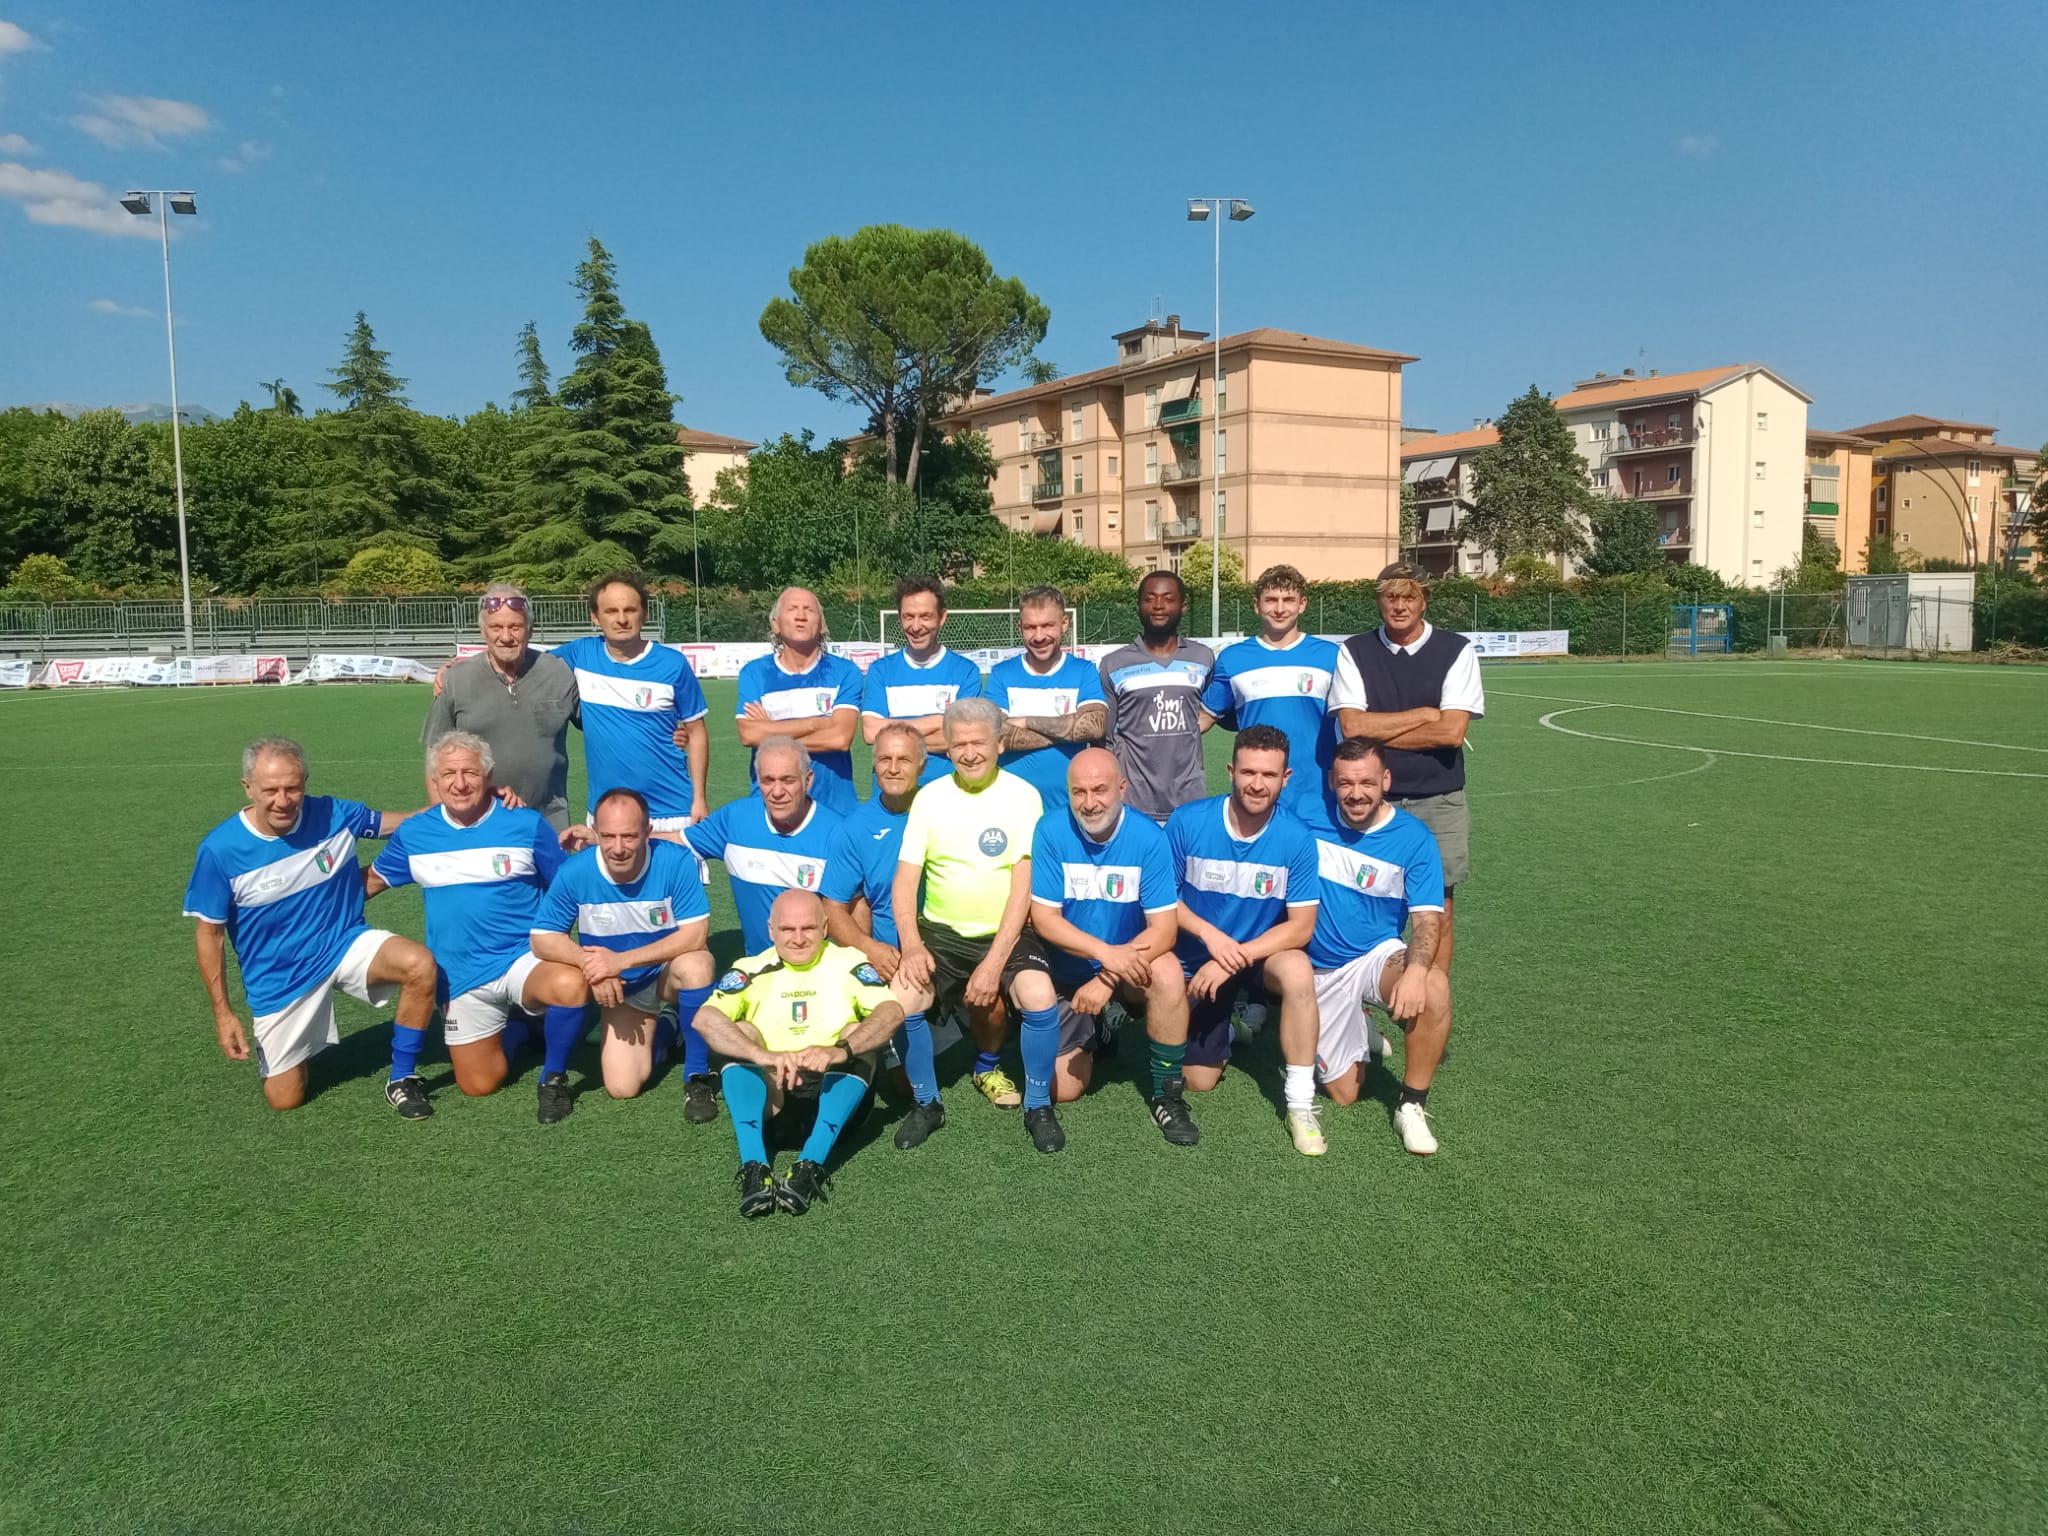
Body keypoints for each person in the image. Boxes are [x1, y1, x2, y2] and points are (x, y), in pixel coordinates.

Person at [183, 736, 440, 1118]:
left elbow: (405, 824)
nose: (283, 800)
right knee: (285, 1098)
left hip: (342, 942)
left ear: (305, 782)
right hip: (280, 977)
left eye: (293, 788)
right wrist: (224, 1014)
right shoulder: (220, 850)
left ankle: (402, 1077)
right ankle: (281, 1051)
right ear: (247, 787)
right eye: (270, 790)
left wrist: (466, 804)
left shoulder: (334, 813)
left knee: (420, 964)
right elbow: (210, 935)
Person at [364, 732, 591, 1121]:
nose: (459, 783)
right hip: (462, 975)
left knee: (570, 985)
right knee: (479, 1084)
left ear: (487, 775)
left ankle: (552, 1077)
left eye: (470, 772)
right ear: (434, 781)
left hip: (523, 960)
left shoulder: (524, 823)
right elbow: (372, 881)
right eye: (448, 773)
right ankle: (521, 1030)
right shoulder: (415, 834)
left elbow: (565, 885)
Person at [890, 696, 1067, 1153]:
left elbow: (1023, 888)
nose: (969, 753)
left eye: (979, 743)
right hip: (942, 932)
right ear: (946, 748)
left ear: (999, 742)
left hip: (1005, 930)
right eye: (959, 744)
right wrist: (911, 943)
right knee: (902, 997)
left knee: (1038, 994)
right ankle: (927, 1104)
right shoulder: (928, 798)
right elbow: (906, 880)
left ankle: (1039, 1105)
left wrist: (993, 962)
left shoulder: (1022, 796)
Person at [692, 890, 906, 1217]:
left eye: (807, 928)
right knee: (741, 1032)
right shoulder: (750, 968)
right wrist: (763, 1056)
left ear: (824, 928)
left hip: (836, 1097)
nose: (798, 939)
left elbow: (891, 1012)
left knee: (856, 1034)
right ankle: (754, 1168)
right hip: (774, 1101)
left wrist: (838, 1051)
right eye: (787, 929)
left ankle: (810, 1165)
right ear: (771, 929)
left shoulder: (850, 963)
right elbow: (704, 1019)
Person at [1165, 725, 1325, 1154]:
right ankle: (1234, 1030)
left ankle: (1300, 1104)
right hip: (1201, 956)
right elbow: (1164, 902)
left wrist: (1233, 958)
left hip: (1259, 959)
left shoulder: (1297, 838)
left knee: (1296, 969)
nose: (1257, 784)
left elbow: (1301, 926)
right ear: (1231, 770)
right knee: (1199, 1081)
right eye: (1248, 772)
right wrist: (1211, 937)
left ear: (1286, 778)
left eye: (1269, 775)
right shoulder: (1188, 821)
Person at [1027, 747, 1198, 1145]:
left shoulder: (1149, 838)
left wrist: (1106, 976)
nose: (1089, 803)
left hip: (1124, 967)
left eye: (1100, 790)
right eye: (1078, 792)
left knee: (1169, 971)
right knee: (1064, 1090)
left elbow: (1165, 930)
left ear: (1122, 787)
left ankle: (1166, 1095)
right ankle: (1098, 1031)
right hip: (1068, 973)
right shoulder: (1050, 830)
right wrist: (1105, 955)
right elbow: (1045, 920)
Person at [1330, 561, 1485, 973]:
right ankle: (1362, 1008)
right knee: (1364, 905)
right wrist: (1423, 714)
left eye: (1409, 596)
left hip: (1438, 798)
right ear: (1379, 600)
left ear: (1424, 600)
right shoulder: (1355, 650)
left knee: (1438, 909)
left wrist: (1376, 728)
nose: (1400, 606)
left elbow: (1452, 732)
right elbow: (1351, 728)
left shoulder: (1457, 650)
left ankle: (1431, 1002)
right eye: (1391, 596)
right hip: (1369, 800)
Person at [1308, 738, 1453, 1155]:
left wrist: (1417, 971)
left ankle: (1411, 1104)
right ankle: (1361, 1025)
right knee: (1344, 1093)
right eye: (1346, 783)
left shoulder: (1414, 838)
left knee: (1434, 987)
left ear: (1385, 780)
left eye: (1367, 782)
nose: (1357, 793)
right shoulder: (1307, 821)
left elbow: (1428, 920)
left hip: (1376, 956)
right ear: (1333, 782)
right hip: (1320, 970)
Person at [531, 788, 717, 1108]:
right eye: (608, 836)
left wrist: (620, 961)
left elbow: (695, 935)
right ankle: (669, 1028)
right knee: (622, 1086)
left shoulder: (676, 861)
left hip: (665, 973)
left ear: (648, 831)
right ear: (596, 833)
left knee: (698, 965)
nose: (618, 848)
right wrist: (592, 965)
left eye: (629, 836)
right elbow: (543, 937)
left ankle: (698, 1076)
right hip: (620, 987)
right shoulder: (575, 872)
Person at [819, 721, 952, 1125]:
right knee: (902, 1087)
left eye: (904, 759)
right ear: (873, 766)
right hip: (898, 953)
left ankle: (985, 1054)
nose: (893, 768)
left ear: (922, 765)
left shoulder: (947, 810)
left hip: (955, 943)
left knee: (993, 1006)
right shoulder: (855, 828)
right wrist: (872, 948)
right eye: (885, 759)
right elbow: (833, 908)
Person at [553, 570, 711, 837]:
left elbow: (696, 732)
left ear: (644, 613)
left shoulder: (672, 665)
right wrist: (471, 665)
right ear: (595, 616)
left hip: (670, 810)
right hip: (607, 811)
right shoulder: (581, 654)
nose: (622, 619)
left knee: (672, 879)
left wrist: (699, 798)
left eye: (630, 609)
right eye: (612, 611)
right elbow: (527, 665)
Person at [421, 583, 579, 830]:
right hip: (479, 824)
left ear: (530, 630)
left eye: (515, 627)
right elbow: (435, 755)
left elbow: (600, 725)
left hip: (548, 823)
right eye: (496, 627)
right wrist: (447, 826)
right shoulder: (456, 679)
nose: (506, 637)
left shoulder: (558, 672)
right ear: (483, 631)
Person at [1200, 564, 1341, 820]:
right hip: (1257, 795)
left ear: (1303, 604)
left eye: (1288, 600)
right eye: (1271, 600)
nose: (1279, 609)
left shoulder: (1330, 656)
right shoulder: (1232, 659)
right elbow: (1202, 719)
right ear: (1256, 605)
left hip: (1318, 796)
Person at [685, 736, 844, 954]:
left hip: (818, 970)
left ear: (808, 780)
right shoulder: (736, 819)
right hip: (761, 968)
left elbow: (857, 908)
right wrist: (633, 832)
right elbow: (678, 842)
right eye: (768, 781)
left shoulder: (837, 833)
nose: (777, 792)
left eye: (788, 780)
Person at [1098, 570, 1216, 824]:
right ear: (1139, 606)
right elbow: (1105, 740)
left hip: (1190, 801)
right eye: (1150, 598)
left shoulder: (1203, 658)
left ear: (1183, 606)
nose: (1159, 606)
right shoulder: (1114, 664)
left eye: (1168, 598)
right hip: (1134, 803)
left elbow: (1214, 708)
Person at [735, 586, 864, 816]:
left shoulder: (845, 672)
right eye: (792, 609)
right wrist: (818, 723)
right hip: (771, 809)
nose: (801, 616)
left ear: (822, 623)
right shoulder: (755, 673)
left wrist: (771, 733)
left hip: (834, 808)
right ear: (775, 623)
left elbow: (840, 738)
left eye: (809, 610)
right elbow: (749, 734)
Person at [986, 584, 1107, 808]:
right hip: (1010, 806)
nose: (1039, 636)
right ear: (1020, 627)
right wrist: (1069, 730)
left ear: (1064, 624)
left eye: (1047, 625)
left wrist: (1025, 722)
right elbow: (995, 735)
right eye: (1031, 627)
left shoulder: (1083, 671)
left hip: (1071, 805)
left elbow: (1093, 727)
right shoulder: (1002, 673)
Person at [862, 574, 984, 787]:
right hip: (892, 792)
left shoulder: (965, 672)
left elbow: (958, 739)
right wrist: (938, 720)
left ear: (942, 617)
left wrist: (893, 737)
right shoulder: (881, 670)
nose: (916, 626)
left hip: (946, 790)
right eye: (908, 616)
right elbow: (871, 733)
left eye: (925, 617)